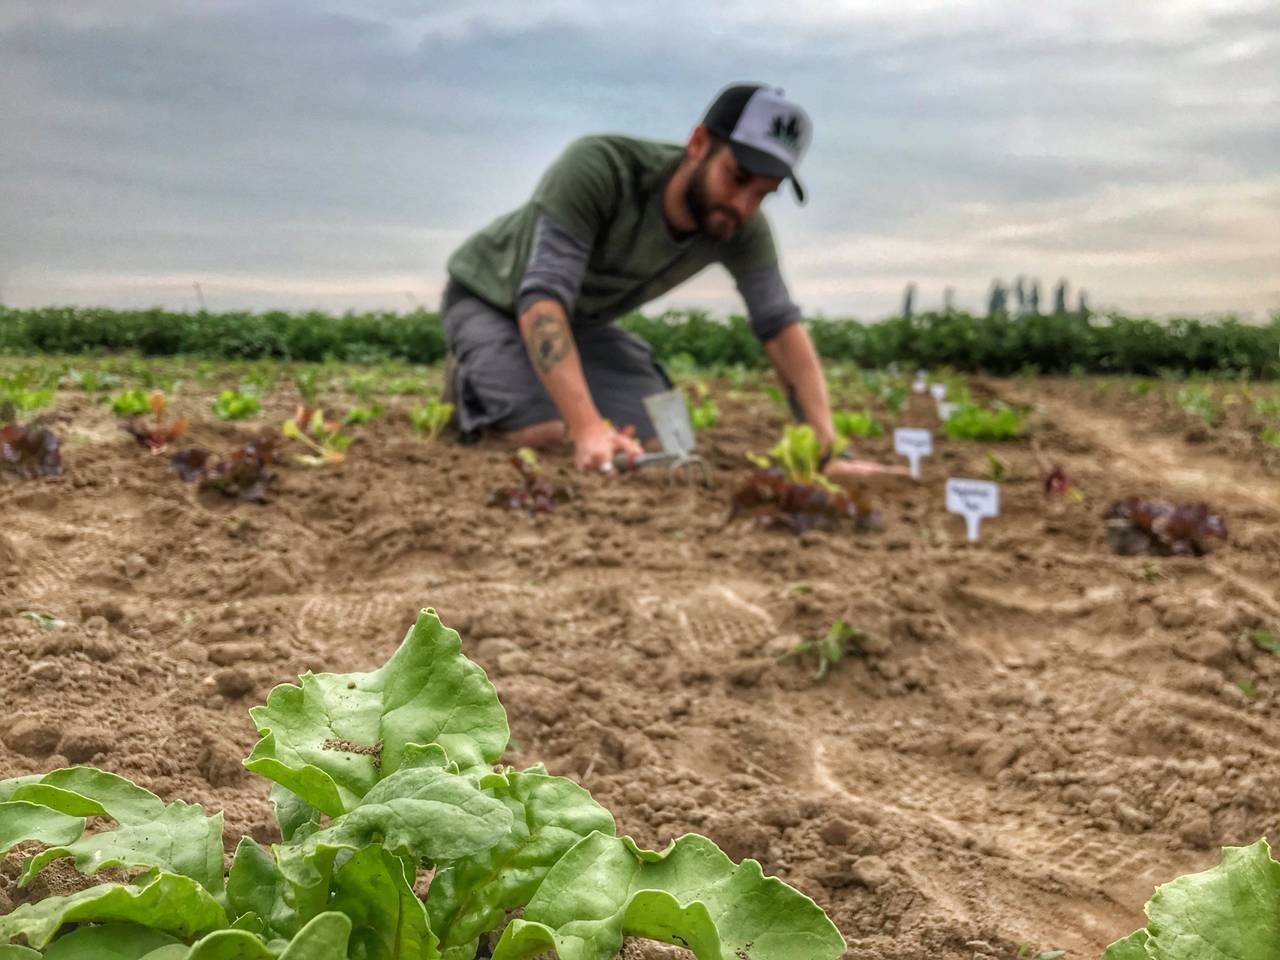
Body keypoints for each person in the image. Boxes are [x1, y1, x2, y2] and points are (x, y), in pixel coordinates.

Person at [439, 81, 889, 477]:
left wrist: (828, 450)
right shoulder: (600, 168)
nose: (743, 205)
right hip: (489, 299)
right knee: (546, 432)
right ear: (698, 143)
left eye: (763, 194)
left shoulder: (740, 227)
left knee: (665, 438)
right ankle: (473, 383)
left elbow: (780, 327)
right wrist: (587, 428)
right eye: (737, 178)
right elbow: (542, 297)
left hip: (582, 324)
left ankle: (538, 385)